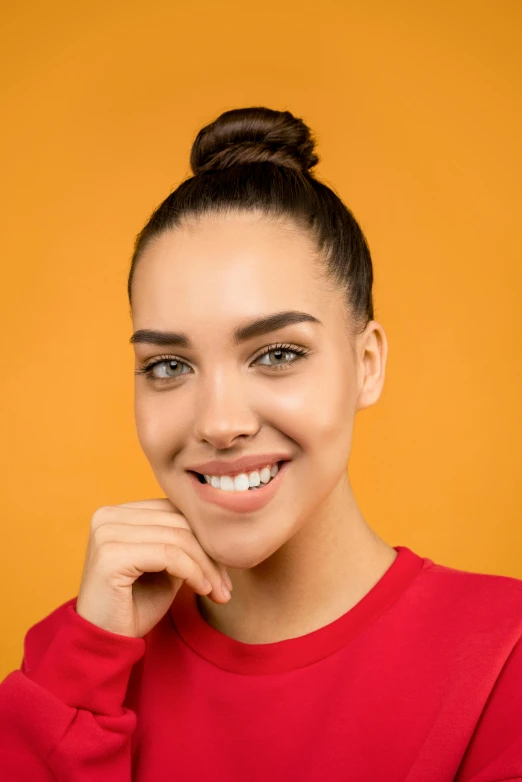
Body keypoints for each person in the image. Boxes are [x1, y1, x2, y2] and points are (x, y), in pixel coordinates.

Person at [0, 106, 521, 782]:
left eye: (275, 353)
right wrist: (82, 675)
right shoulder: (74, 669)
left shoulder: (501, 659)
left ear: (367, 364)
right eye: (169, 366)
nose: (219, 422)